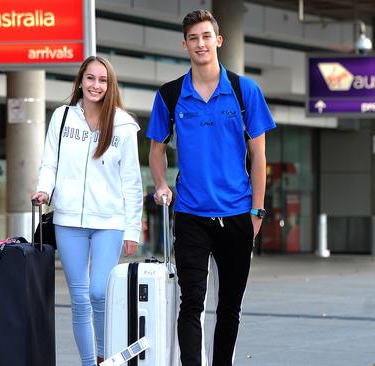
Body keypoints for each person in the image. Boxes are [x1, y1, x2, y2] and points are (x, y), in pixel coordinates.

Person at [147, 9, 276, 366]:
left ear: (218, 40)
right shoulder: (171, 95)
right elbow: (156, 150)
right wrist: (160, 184)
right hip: (190, 215)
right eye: (193, 38)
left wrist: (257, 211)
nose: (200, 43)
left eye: (206, 36)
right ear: (185, 44)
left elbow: (260, 155)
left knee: (229, 308)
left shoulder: (243, 90)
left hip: (237, 213)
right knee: (191, 304)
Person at [32, 56, 143, 366]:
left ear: (111, 85)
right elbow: (49, 161)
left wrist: (132, 230)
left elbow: (132, 181)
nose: (96, 85)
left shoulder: (123, 124)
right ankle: (88, 363)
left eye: (103, 80)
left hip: (109, 221)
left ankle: (108, 357)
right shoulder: (62, 117)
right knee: (80, 299)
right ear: (80, 81)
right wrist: (44, 189)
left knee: (98, 293)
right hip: (68, 220)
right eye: (91, 78)